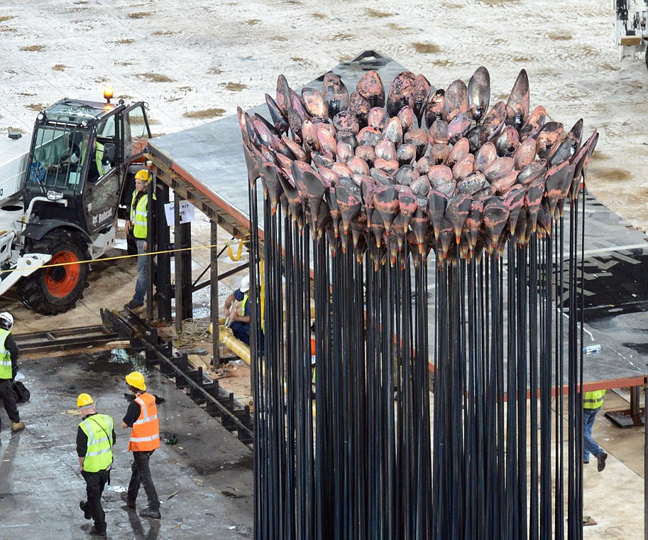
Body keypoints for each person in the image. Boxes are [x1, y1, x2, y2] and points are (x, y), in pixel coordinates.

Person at [121, 371, 161, 519]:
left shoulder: (135, 405)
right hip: (152, 443)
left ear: (132, 387)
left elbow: (125, 424)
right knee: (136, 470)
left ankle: (154, 507)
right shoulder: (151, 398)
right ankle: (131, 499)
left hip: (141, 446)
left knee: (145, 476)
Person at [76, 393, 115, 537]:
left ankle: (100, 527)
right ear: (94, 405)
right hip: (106, 465)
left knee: (94, 497)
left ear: (81, 409)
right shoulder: (108, 420)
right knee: (96, 493)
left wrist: (81, 466)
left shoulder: (83, 427)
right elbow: (113, 440)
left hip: (91, 468)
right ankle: (88, 509)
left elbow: (81, 451)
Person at [125, 169, 153, 310]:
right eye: (135, 182)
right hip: (136, 236)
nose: (136, 185)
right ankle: (159, 291)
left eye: (139, 183)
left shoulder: (150, 199)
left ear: (147, 184)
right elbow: (132, 208)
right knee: (150, 268)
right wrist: (128, 220)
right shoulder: (136, 193)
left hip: (144, 240)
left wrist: (148, 239)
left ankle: (138, 299)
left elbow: (153, 222)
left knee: (142, 270)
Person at [0, 311, 25, 435]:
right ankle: (15, 422)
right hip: (1, 375)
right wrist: (12, 368)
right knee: (8, 398)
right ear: (9, 325)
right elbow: (14, 352)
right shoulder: (6, 336)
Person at [583, 389, 607, 472]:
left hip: (585, 405)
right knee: (587, 430)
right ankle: (585, 456)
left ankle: (598, 453)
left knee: (581, 432)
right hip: (597, 403)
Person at [224, 276, 251, 344]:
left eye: (248, 291)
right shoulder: (245, 292)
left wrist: (237, 317)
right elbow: (232, 296)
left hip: (260, 330)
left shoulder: (261, 299)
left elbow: (255, 318)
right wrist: (226, 308)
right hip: (248, 325)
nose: (247, 293)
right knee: (234, 326)